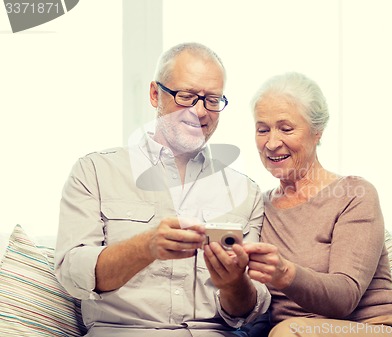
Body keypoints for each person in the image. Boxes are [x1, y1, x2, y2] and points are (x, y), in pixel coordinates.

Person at [54, 42, 270, 337]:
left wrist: (234, 284)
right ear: (156, 94)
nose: (199, 111)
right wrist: (145, 247)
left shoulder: (246, 192)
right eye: (187, 96)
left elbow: (247, 311)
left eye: (212, 100)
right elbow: (72, 273)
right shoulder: (95, 172)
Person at [244, 72, 392, 337]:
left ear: (317, 132)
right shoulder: (258, 208)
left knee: (289, 333)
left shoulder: (355, 194)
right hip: (290, 332)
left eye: (286, 128)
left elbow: (344, 297)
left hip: (373, 328)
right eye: (262, 129)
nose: (272, 143)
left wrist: (286, 273)